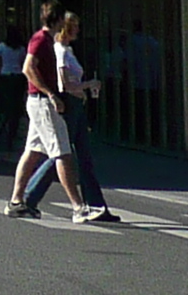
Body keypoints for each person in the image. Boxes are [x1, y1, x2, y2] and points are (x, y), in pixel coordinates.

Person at [17, 12, 118, 224]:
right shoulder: (60, 51)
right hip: (67, 106)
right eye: (75, 26)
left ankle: (96, 205)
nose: (79, 30)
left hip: (75, 106)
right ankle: (34, 198)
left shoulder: (67, 50)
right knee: (61, 154)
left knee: (81, 156)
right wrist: (88, 85)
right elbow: (65, 85)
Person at [7, 0, 92, 221]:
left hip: (39, 100)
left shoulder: (47, 40)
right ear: (56, 19)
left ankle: (16, 201)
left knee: (34, 150)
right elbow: (28, 67)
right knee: (63, 153)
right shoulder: (40, 39)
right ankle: (78, 207)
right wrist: (51, 94)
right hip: (43, 101)